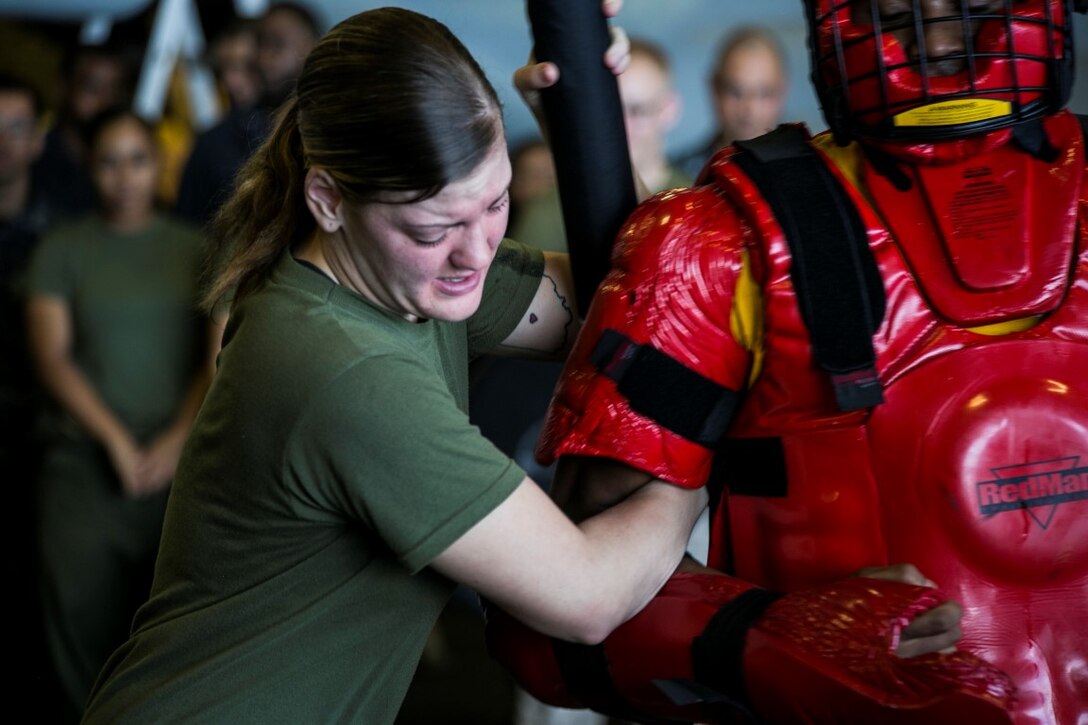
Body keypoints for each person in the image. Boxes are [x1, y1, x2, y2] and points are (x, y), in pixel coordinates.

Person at [81, 6, 706, 724]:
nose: (475, 252)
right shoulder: (344, 371)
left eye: (497, 202)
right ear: (329, 201)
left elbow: (630, 306)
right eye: (433, 226)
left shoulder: (413, 278)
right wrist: (697, 445)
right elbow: (588, 593)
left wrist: (588, 127)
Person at [494, 0, 1087, 722]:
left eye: (978, 5)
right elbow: (553, 625)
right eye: (899, 11)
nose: (936, 44)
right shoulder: (720, 243)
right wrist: (770, 636)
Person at [27, 108, 211, 719]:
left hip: (182, 455)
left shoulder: (198, 249)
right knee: (75, 603)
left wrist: (177, 438)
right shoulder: (62, 248)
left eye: (138, 159)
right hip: (84, 455)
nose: (124, 176)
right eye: (109, 161)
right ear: (91, 167)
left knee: (168, 615)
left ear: (159, 164)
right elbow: (52, 359)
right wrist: (112, 441)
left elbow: (219, 358)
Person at [512, 37, 689, 253]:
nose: (619, 126)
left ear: (669, 109)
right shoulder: (548, 212)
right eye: (608, 111)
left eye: (636, 110)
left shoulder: (699, 200)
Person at [175, 2, 320, 227]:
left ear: (313, 48)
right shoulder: (216, 142)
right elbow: (187, 233)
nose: (262, 59)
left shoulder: (334, 135)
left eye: (277, 44)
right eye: (260, 44)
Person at [673, 25, 788, 180]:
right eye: (736, 92)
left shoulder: (808, 173)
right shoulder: (681, 177)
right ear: (714, 88)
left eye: (764, 93)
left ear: (782, 91)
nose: (750, 108)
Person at [33, 43, 133, 221]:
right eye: (92, 88)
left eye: (115, 91)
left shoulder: (128, 170)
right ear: (62, 89)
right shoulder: (33, 158)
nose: (105, 101)